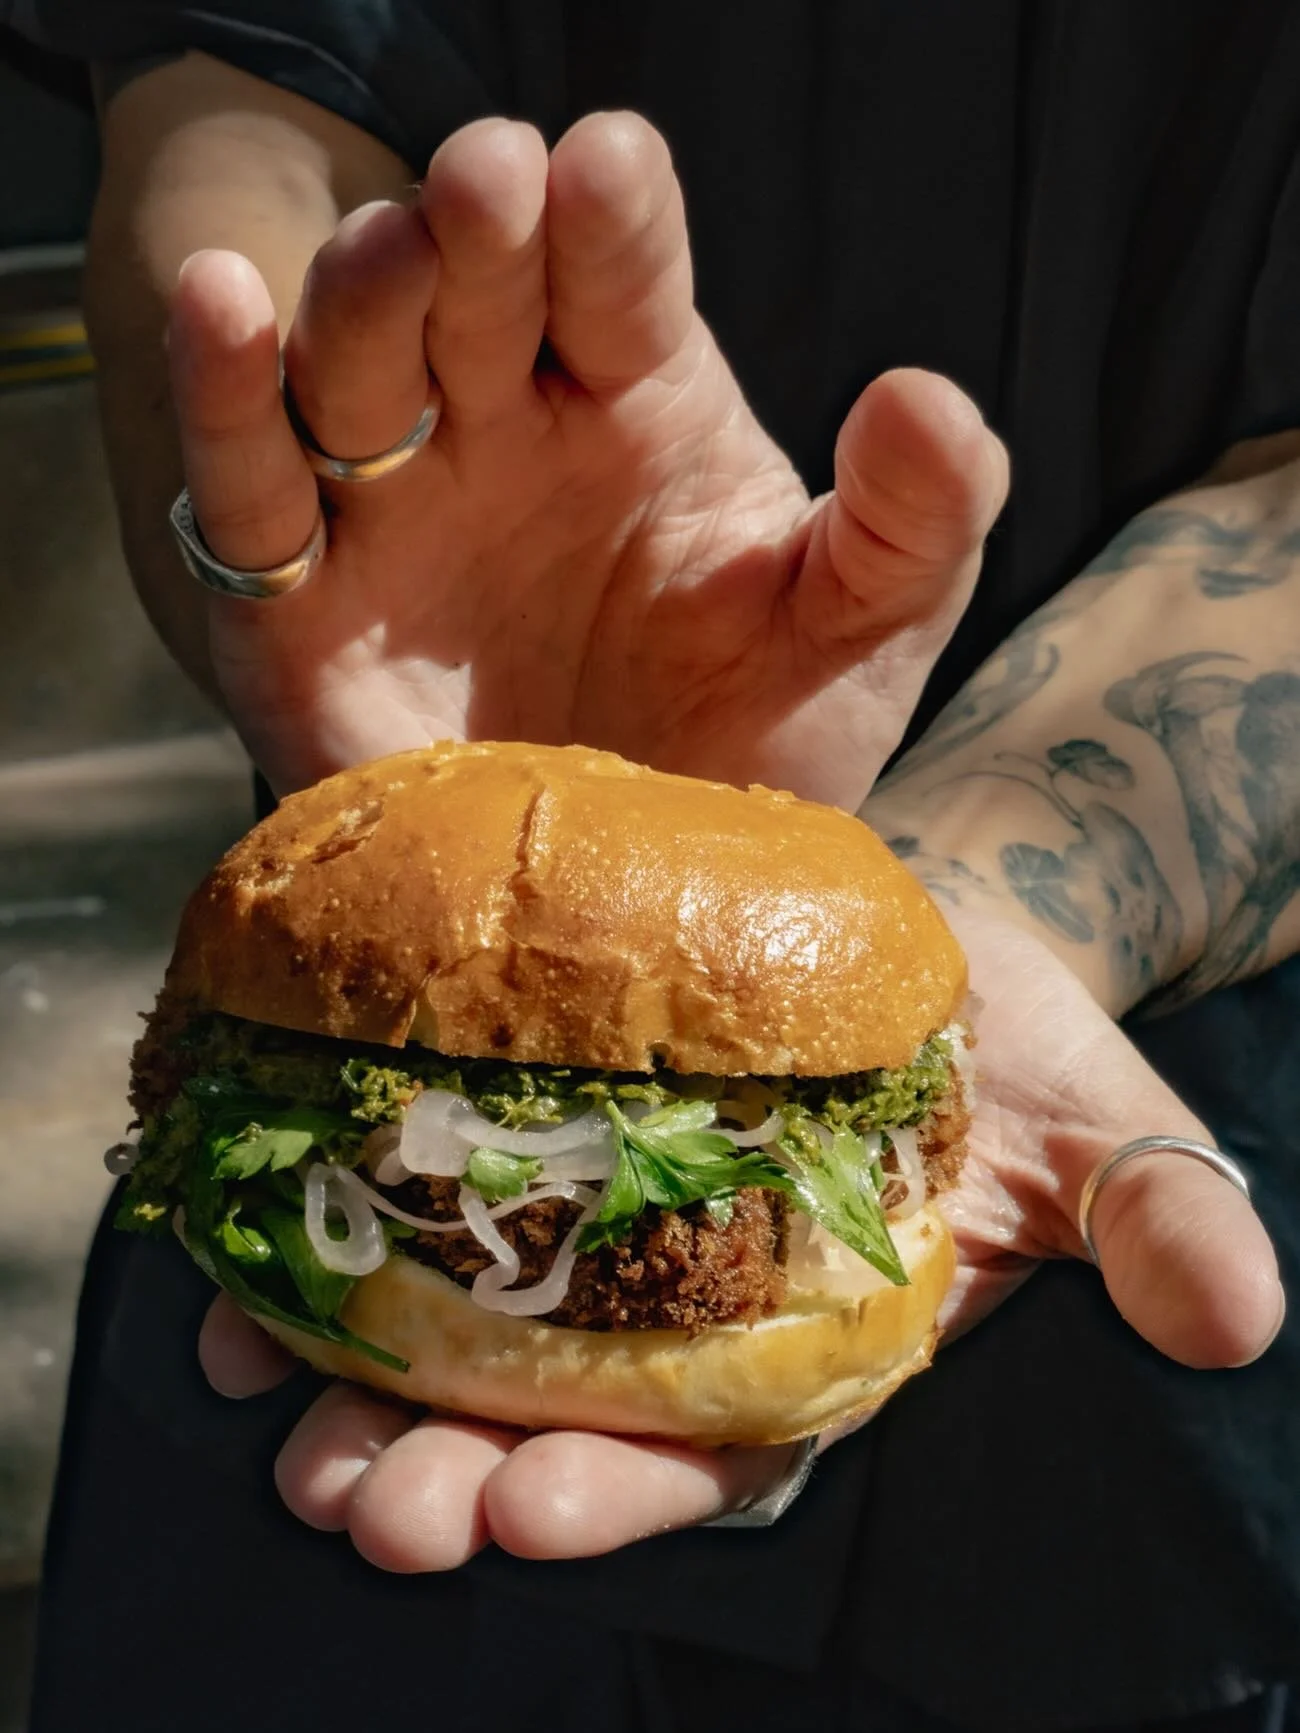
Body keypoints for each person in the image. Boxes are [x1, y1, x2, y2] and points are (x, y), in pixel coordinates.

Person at [6, 4, 1299, 1729]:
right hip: (332, 1156)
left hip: (1098, 1479)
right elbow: (228, 84)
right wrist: (340, 481)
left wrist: (968, 897)